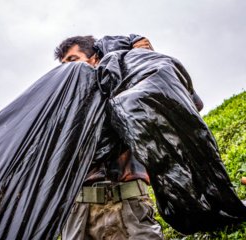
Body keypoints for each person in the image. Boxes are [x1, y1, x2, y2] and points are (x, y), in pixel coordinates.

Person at [54, 35, 203, 240]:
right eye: (63, 65)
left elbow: (190, 104)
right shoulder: (64, 108)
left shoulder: (129, 88)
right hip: (81, 212)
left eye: (73, 60)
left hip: (130, 205)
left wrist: (143, 62)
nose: (68, 70)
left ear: (95, 59)